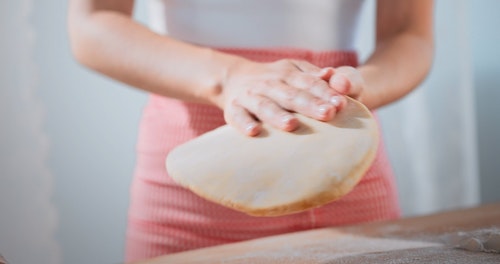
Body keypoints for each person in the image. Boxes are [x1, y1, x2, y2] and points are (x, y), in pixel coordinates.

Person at [68, 0, 434, 262]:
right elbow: (94, 21)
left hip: (344, 164)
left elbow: (408, 34)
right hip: (190, 194)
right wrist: (229, 77)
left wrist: (355, 87)